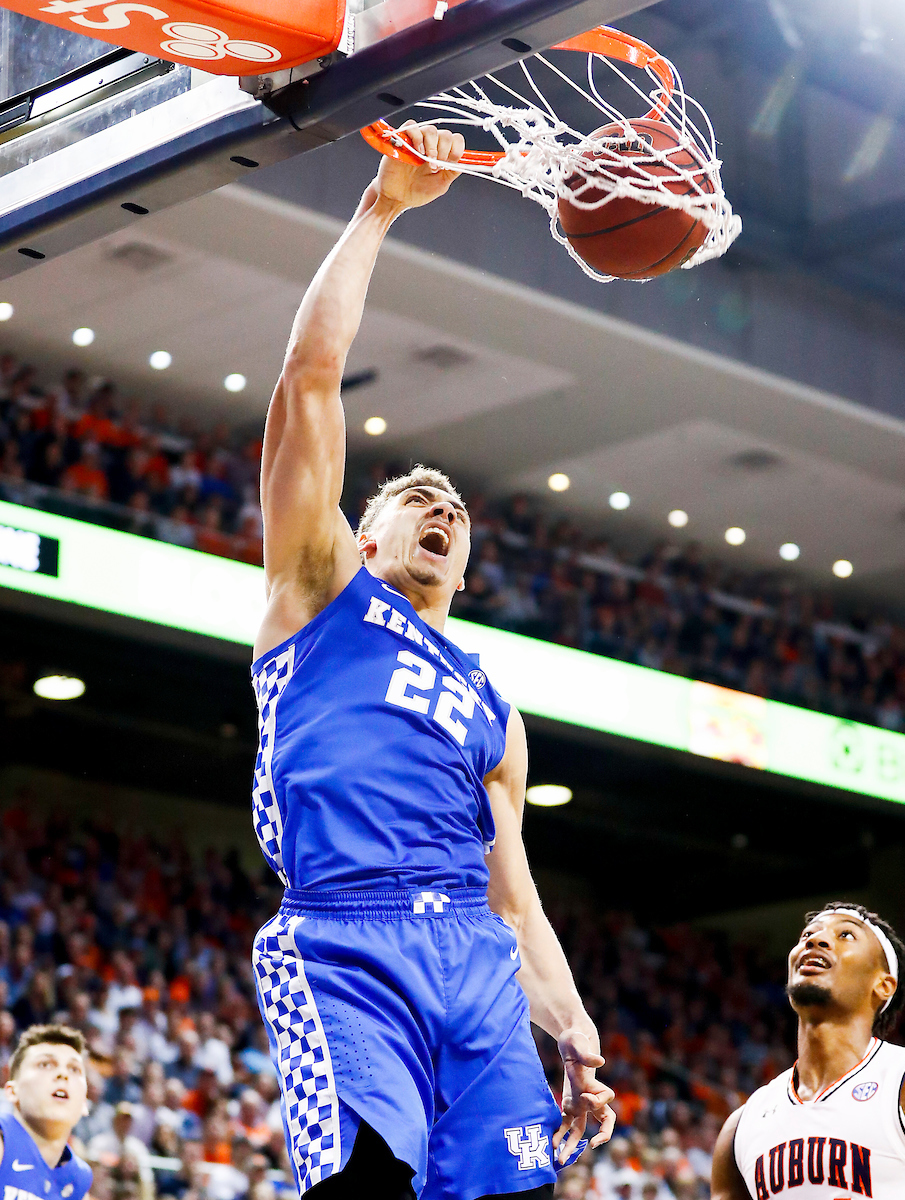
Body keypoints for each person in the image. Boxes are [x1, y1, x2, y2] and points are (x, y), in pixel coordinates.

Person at [249, 122, 614, 1200]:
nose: (444, 507)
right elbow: (310, 380)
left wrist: (575, 1025)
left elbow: (515, 896)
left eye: (455, 509)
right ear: (366, 540)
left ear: (464, 565)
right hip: (347, 938)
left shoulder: (497, 711)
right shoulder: (321, 590)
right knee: (365, 1185)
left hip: (477, 962)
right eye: (417, 500)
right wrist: (381, 208)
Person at [711, 901, 905, 1198]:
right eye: (806, 936)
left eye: (846, 935)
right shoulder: (741, 1126)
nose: (815, 940)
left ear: (883, 985)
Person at [0, 1024, 93, 1200]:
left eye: (74, 1069)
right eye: (45, 1064)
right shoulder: (3, 1142)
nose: (63, 1074)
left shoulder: (79, 1181)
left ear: (84, 1103)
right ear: (12, 1091)